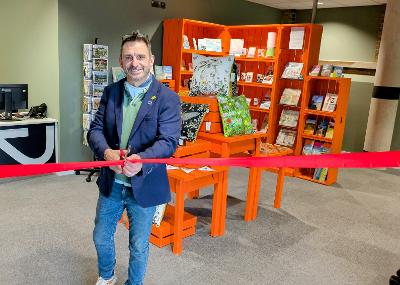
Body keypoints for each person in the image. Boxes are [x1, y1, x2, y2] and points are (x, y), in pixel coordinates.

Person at [87, 31, 181, 285]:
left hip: (145, 186)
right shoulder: (111, 92)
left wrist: (141, 159)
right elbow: (95, 130)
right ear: (121, 60)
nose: (134, 62)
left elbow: (168, 141)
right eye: (128, 57)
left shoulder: (167, 98)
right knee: (100, 236)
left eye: (140, 56)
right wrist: (105, 152)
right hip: (112, 184)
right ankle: (107, 276)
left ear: (152, 60)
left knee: (139, 245)